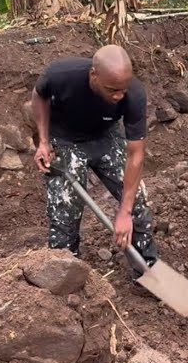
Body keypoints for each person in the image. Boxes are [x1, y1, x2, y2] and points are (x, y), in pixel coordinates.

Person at [30, 45, 159, 277]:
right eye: (112, 90)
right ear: (94, 75)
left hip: (105, 136)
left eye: (123, 89)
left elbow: (136, 154)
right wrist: (44, 141)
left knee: (136, 201)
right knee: (65, 210)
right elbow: (39, 96)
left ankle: (147, 271)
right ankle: (65, 276)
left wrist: (124, 212)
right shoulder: (61, 75)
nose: (119, 95)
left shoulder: (134, 94)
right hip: (65, 138)